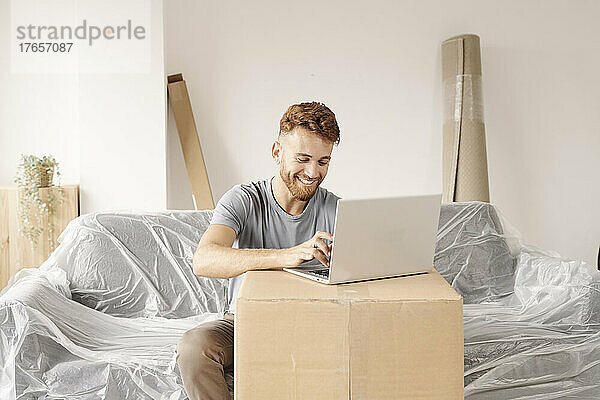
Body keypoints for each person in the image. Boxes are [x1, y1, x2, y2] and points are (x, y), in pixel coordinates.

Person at [175, 101, 341, 400]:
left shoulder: (338, 210)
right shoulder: (244, 199)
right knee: (194, 347)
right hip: (245, 320)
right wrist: (286, 255)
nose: (313, 172)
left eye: (323, 161)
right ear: (277, 152)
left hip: (313, 324)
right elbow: (204, 259)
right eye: (303, 158)